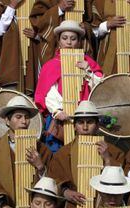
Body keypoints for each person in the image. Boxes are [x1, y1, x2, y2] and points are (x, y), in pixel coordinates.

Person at [48, 101, 125, 208]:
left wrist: (107, 159)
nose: (85, 127)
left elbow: (123, 183)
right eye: (80, 122)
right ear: (74, 126)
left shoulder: (114, 152)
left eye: (89, 122)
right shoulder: (62, 154)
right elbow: (52, 179)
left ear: (97, 126)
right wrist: (65, 192)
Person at [34, 20, 103, 153]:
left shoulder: (89, 62)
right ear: (59, 41)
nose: (69, 42)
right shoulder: (50, 65)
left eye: (73, 39)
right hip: (59, 118)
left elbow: (100, 88)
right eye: (64, 38)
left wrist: (88, 70)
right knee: (59, 157)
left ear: (79, 42)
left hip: (84, 118)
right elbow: (48, 92)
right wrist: (57, 110)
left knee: (85, 154)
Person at [90, 0, 130, 79]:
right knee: (110, 84)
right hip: (109, 53)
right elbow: (94, 31)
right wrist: (108, 24)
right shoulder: (100, 2)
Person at [0, 0, 40, 94]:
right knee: (12, 97)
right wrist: (12, 6)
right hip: (11, 63)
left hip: (31, 61)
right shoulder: (2, 4)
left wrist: (36, 36)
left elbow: (48, 35)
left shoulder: (36, 4)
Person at [29, 0, 95, 64]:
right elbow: (38, 20)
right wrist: (58, 9)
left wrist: (86, 27)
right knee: (54, 71)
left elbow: (94, 23)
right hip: (53, 47)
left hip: (79, 47)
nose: (68, 42)